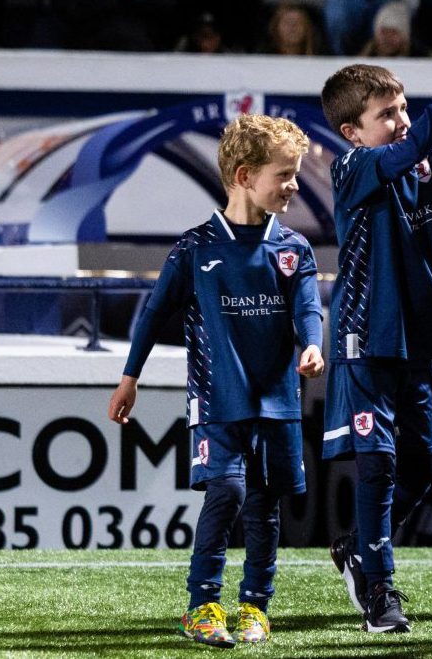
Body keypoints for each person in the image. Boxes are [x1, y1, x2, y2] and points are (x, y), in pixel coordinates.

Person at [105, 114, 325, 649]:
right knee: (226, 491)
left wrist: (313, 344)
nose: (295, 185)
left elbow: (308, 307)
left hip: (277, 403)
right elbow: (155, 314)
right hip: (216, 399)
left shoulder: (293, 246)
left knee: (265, 505)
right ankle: (202, 605)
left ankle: (254, 607)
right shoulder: (195, 248)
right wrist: (128, 377)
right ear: (245, 175)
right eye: (285, 174)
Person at [320, 35, 432, 634]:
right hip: (365, 336)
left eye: (401, 108)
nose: (399, 121)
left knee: (425, 461)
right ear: (352, 131)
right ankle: (380, 592)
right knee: (379, 462)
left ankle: (358, 551)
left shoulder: (415, 166)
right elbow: (413, 145)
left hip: (413, 342)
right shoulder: (354, 169)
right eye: (385, 114)